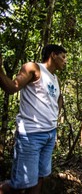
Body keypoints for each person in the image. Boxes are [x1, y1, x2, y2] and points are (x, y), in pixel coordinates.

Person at [0, 44, 67, 194]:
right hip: (31, 135)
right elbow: (12, 87)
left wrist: (56, 114)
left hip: (50, 134)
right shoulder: (33, 68)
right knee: (20, 184)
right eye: (63, 57)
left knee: (40, 177)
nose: (65, 61)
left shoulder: (55, 79)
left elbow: (57, 99)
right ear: (53, 55)